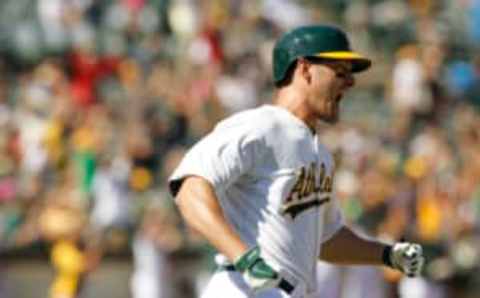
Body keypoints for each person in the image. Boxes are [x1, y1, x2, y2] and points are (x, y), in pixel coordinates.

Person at [168, 25, 425, 298]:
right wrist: (244, 258)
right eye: (340, 72)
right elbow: (190, 186)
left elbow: (325, 240)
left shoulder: (321, 155)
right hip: (244, 290)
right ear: (304, 70)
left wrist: (386, 254)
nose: (350, 83)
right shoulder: (262, 125)